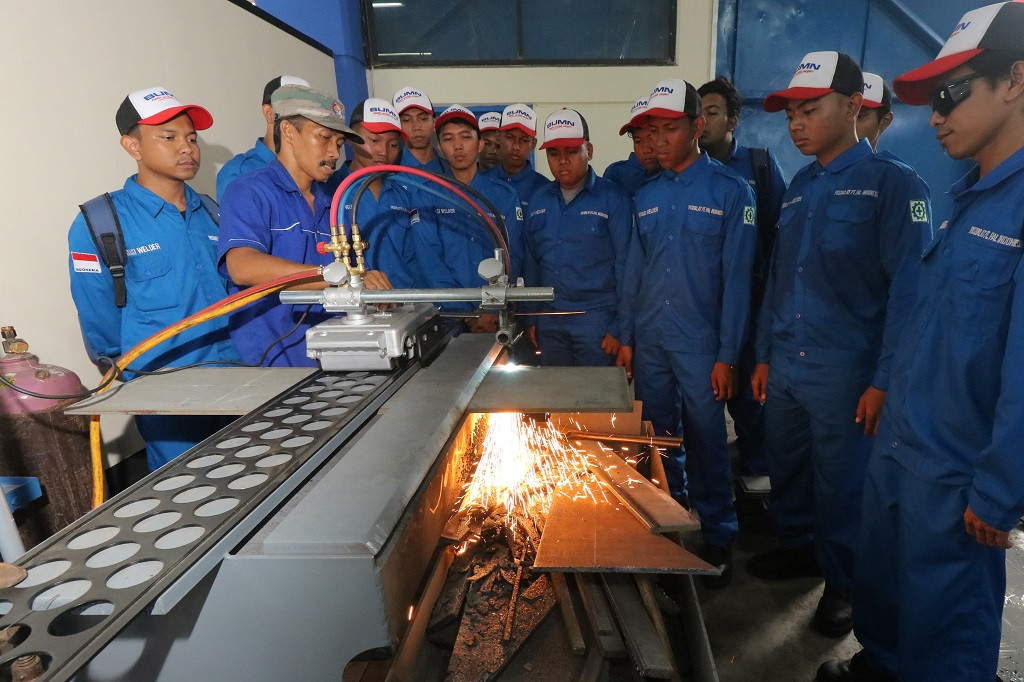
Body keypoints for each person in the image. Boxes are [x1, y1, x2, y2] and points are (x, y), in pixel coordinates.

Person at [818, 3, 1024, 680]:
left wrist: (999, 491)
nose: (933, 116)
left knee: (946, 629)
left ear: (1015, 80)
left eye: (950, 94)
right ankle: (881, 664)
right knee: (887, 599)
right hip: (902, 449)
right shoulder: (969, 200)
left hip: (958, 476)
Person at [748, 51, 932, 638]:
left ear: (854, 106)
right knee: (790, 468)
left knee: (844, 483)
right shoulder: (801, 185)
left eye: (810, 109)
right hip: (789, 364)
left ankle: (846, 585)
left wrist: (884, 381)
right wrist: (766, 357)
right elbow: (780, 279)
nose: (796, 123)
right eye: (790, 114)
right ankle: (800, 549)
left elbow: (910, 295)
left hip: (847, 372)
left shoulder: (895, 185)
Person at [619, 79, 757, 588]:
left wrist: (728, 355)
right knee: (659, 437)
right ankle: (671, 521)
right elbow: (634, 272)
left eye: (669, 128)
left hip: (702, 345)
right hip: (652, 341)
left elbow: (739, 281)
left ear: (698, 127)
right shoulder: (646, 195)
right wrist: (629, 338)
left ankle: (718, 534)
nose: (657, 140)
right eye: (651, 130)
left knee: (707, 440)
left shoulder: (730, 191)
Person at [68, 86, 241, 470]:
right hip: (166, 392)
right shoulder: (101, 223)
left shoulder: (212, 213)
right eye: (168, 137)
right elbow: (98, 313)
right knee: (186, 489)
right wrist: (129, 371)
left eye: (191, 138)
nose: (187, 148)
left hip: (236, 379)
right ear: (132, 146)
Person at [218, 85, 392, 367]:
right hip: (272, 363)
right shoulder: (250, 191)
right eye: (324, 138)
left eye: (338, 143)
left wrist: (368, 287)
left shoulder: (333, 204)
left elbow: (350, 275)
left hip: (333, 358)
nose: (334, 153)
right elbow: (242, 266)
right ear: (288, 131)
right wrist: (342, 277)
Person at [698, 76, 788, 478]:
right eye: (698, 113)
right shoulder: (687, 171)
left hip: (749, 310)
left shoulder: (760, 167)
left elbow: (779, 239)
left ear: (734, 119)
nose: (703, 121)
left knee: (751, 406)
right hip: (700, 312)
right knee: (699, 407)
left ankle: (757, 483)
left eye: (713, 112)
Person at [522, 109, 633, 367]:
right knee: (556, 397)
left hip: (598, 320)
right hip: (549, 320)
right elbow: (532, 262)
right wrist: (533, 318)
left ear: (589, 151)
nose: (562, 161)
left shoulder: (613, 200)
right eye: (554, 153)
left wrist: (619, 329)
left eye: (572, 152)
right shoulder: (539, 200)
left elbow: (628, 269)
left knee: (596, 402)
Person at [417, 105, 524, 334]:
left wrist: (492, 309)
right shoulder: (428, 194)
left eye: (466, 137)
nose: (458, 146)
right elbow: (430, 261)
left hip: (497, 317)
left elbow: (513, 255)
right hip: (448, 316)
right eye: (448, 139)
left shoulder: (504, 195)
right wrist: (466, 312)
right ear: (440, 148)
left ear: (480, 144)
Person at [341, 98, 424, 289]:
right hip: (354, 305)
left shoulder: (404, 193)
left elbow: (414, 258)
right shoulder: (332, 190)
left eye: (393, 145)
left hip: (402, 303)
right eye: (375, 140)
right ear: (352, 139)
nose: (383, 152)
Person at [216, 75, 309, 200]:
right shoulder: (239, 171)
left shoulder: (311, 167)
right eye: (295, 111)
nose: (303, 121)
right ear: (269, 113)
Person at [487, 103, 548, 208]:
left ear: (533, 144)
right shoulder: (482, 181)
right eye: (510, 137)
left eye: (524, 140)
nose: (516, 146)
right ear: (498, 137)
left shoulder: (545, 188)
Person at [603, 98, 661, 198]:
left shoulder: (679, 172)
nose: (646, 149)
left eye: (651, 138)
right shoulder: (617, 174)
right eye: (638, 141)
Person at [392, 86, 447, 174]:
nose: (416, 127)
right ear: (397, 126)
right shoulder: (388, 172)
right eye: (407, 120)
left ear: (434, 123)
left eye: (423, 118)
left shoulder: (452, 171)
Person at [856, 72, 894, 151]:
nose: (847, 123)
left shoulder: (885, 164)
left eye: (860, 116)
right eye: (841, 114)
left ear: (885, 121)